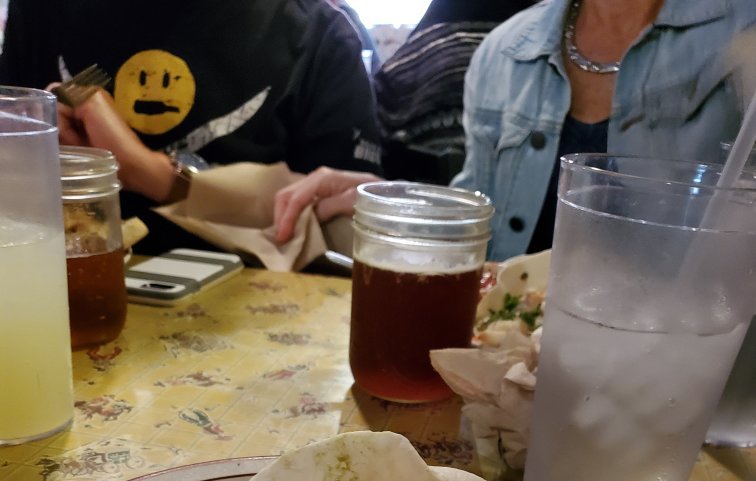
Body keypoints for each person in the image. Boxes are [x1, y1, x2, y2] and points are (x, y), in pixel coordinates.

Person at [274, 0, 756, 258]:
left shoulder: (743, 35)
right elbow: (481, 228)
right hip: (515, 373)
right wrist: (392, 202)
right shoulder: (505, 51)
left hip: (691, 383)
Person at [0, 0, 383, 253]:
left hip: (253, 310)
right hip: (60, 296)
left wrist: (143, 170)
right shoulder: (41, 14)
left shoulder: (317, 31)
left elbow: (333, 227)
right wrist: (30, 149)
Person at [374, 1, 533, 182]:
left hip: (425, 189)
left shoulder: (419, 53)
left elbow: (377, 129)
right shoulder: (537, 45)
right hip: (523, 184)